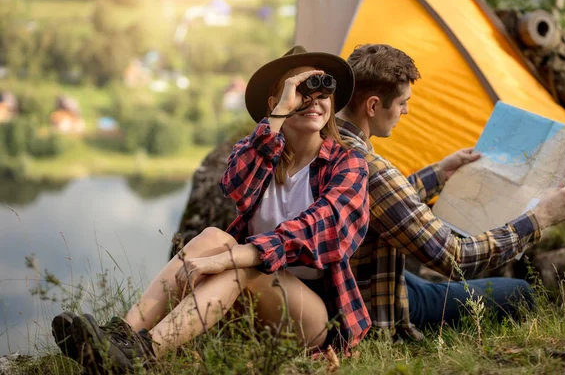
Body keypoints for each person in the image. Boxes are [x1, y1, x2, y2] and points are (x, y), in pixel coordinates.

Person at [51, 46, 371, 373]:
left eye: (322, 93)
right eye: (301, 91)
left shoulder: (347, 163)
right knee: (212, 236)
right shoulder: (264, 155)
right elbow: (235, 184)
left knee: (242, 265)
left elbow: (320, 229)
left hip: (316, 322)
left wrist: (230, 257)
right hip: (249, 306)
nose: (314, 100)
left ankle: (140, 356)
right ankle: (119, 338)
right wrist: (277, 117)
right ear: (276, 104)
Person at [335, 44, 565, 340]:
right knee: (519, 292)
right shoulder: (372, 170)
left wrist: (439, 173)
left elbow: (379, 204)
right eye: (402, 103)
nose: (406, 111)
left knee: (419, 281)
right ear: (372, 106)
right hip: (373, 305)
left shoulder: (324, 141)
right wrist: (537, 220)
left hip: (358, 279)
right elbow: (455, 258)